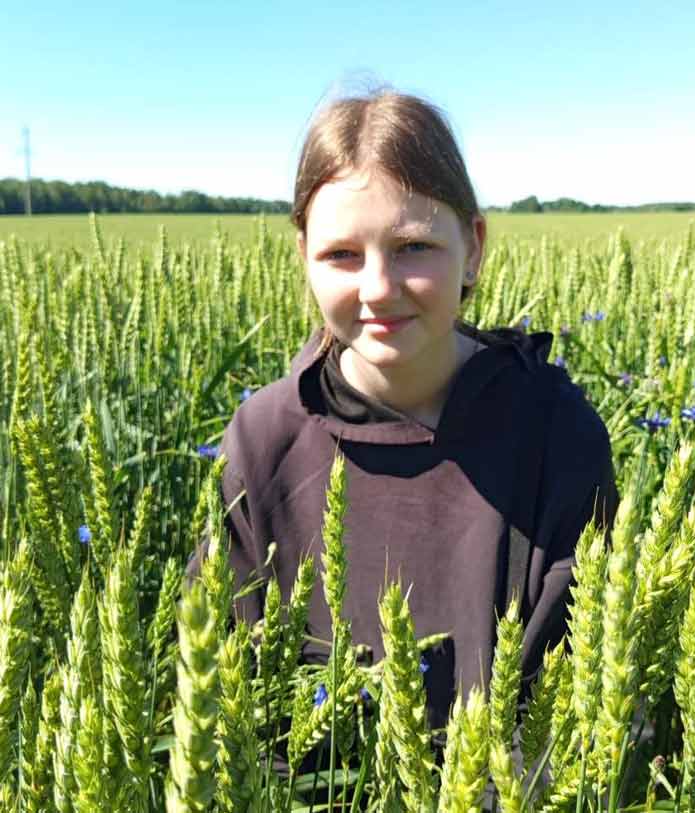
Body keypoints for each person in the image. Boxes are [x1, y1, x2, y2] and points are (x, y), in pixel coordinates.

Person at [186, 86, 617, 762]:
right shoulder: (263, 439)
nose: (379, 288)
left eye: (413, 245)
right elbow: (217, 690)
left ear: (473, 247)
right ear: (303, 255)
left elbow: (579, 708)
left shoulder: (557, 434)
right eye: (342, 254)